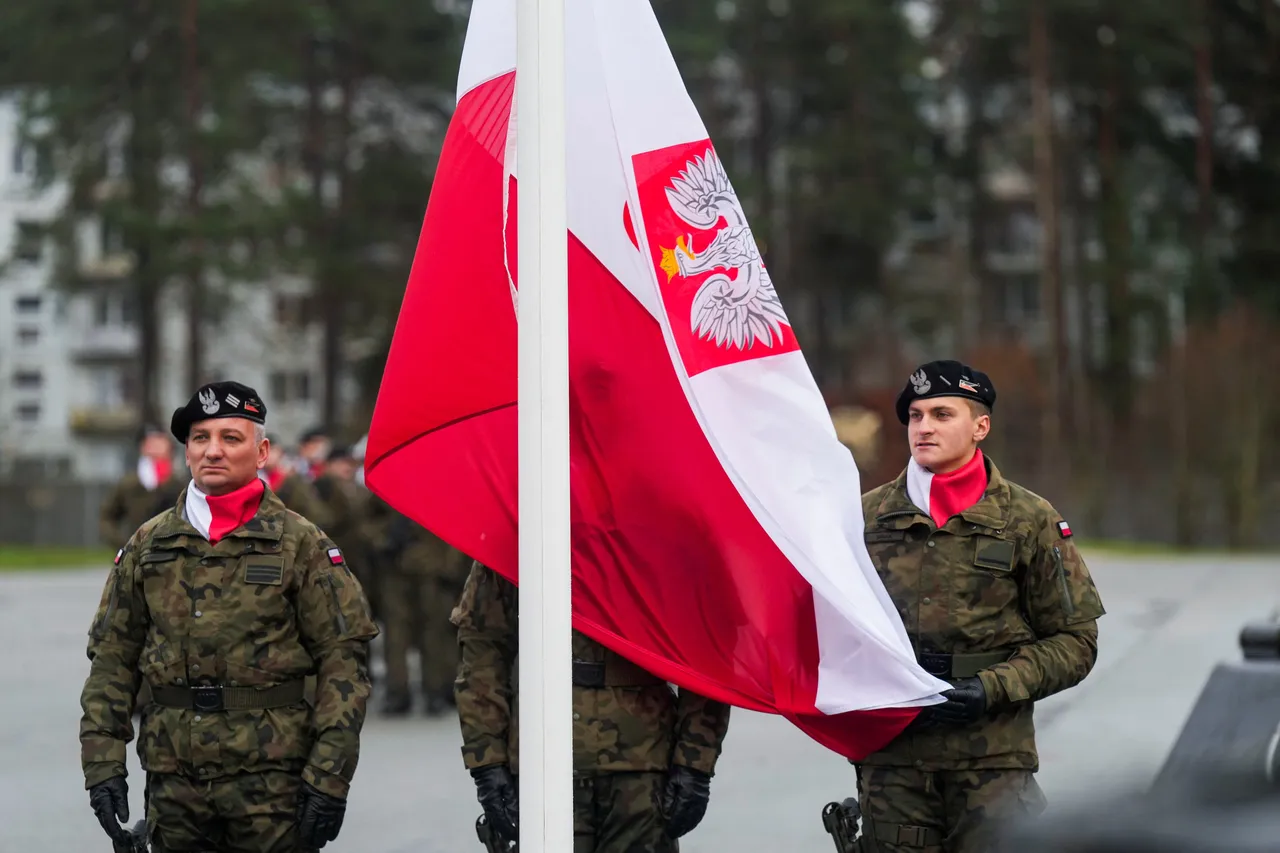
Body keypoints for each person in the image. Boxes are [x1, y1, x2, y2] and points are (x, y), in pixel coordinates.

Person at [79, 380, 378, 853]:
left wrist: (329, 777)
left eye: (230, 438)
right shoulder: (148, 545)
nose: (212, 451)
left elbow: (344, 666)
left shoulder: (302, 545)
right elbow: (113, 660)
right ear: (187, 451)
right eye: (200, 438)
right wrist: (102, 764)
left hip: (271, 790)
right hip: (174, 787)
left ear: (261, 452)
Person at [853, 360, 1106, 852]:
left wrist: (990, 688)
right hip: (894, 759)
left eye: (942, 414)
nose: (924, 427)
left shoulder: (1028, 519)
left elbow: (1076, 642)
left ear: (980, 426)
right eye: (915, 416)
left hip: (992, 759)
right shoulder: (865, 518)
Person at [453, 561, 732, 852]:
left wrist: (695, 760)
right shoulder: (525, 523)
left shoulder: (664, 526)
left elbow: (705, 639)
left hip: (641, 769)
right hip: (546, 760)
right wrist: (487, 761)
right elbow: (482, 643)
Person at [98, 424, 185, 546]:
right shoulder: (129, 484)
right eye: (149, 442)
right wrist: (123, 545)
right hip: (137, 557)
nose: (155, 446)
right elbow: (107, 518)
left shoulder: (181, 485)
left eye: (160, 441)